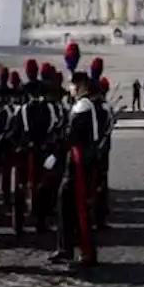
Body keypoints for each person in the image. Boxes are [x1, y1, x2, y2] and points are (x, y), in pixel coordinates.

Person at [49, 68, 100, 267]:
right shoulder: (82, 104)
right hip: (79, 161)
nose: (69, 88)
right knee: (70, 204)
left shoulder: (83, 106)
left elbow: (71, 135)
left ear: (79, 86)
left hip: (80, 163)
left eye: (71, 85)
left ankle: (76, 250)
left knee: (74, 204)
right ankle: (70, 248)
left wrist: (56, 153)